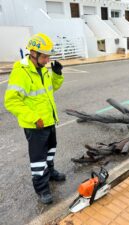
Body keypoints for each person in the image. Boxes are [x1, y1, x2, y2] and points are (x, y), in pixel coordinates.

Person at [4, 33, 65, 204]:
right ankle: (42, 189)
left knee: (50, 150)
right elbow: (11, 101)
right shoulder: (21, 72)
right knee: (38, 160)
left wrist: (57, 74)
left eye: (48, 57)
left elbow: (51, 89)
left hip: (49, 120)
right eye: (45, 57)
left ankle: (51, 172)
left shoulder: (43, 69)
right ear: (33, 54)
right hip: (35, 125)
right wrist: (33, 118)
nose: (47, 60)